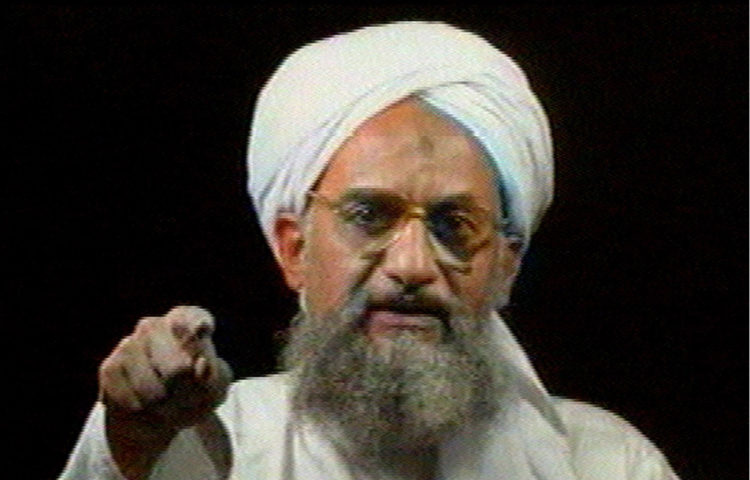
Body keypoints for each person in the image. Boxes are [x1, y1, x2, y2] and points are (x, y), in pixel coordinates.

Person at [59, 21, 680, 480]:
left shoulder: (609, 464)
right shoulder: (216, 447)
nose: (411, 266)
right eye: (368, 217)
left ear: (506, 265)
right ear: (294, 249)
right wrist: (134, 445)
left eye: (454, 225)